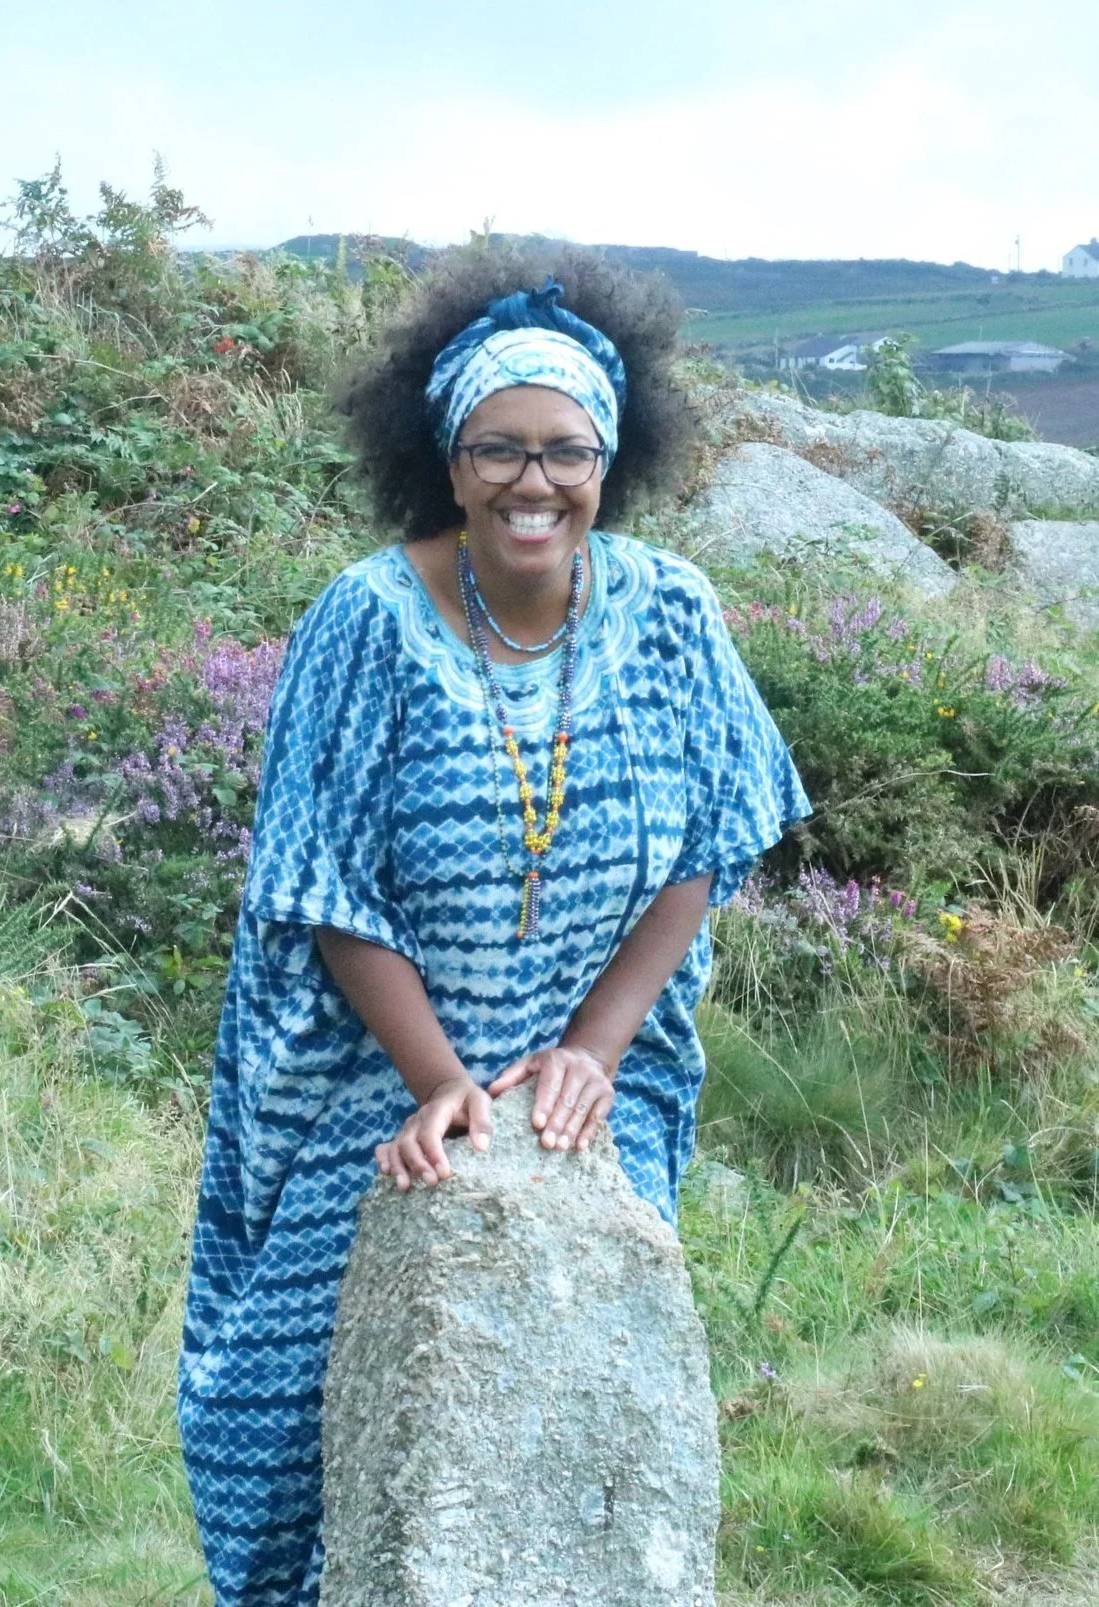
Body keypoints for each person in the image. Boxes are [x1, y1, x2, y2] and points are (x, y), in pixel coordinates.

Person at [178, 245, 810, 1606]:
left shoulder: (674, 614)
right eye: (498, 449)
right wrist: (442, 1085)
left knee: (576, 1401)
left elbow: (717, 827)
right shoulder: (367, 622)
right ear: (449, 460)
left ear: (612, 460)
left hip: (597, 1071)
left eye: (567, 450)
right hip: (380, 1066)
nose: (535, 482)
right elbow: (324, 885)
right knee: (285, 1421)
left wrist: (593, 1047)